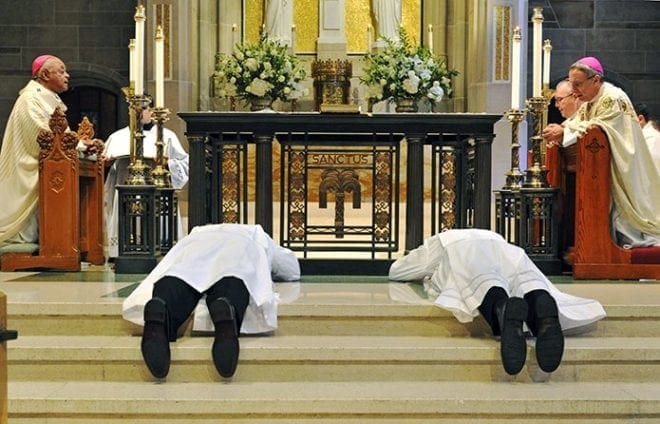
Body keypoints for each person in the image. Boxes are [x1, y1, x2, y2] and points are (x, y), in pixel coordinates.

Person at [388, 229, 606, 376]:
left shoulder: (442, 240)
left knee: (484, 285)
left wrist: (421, 267)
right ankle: (541, 303)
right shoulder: (493, 235)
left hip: (464, 252)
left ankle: (503, 309)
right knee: (524, 279)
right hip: (508, 250)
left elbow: (398, 270)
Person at [122, 223, 301, 380]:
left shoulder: (198, 232)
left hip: (196, 249)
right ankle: (226, 311)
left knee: (181, 278)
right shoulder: (256, 233)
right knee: (233, 281)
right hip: (238, 249)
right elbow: (291, 268)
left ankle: (161, 307)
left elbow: (173, 258)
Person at [548, 57, 659, 247]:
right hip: (604, 169)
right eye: (572, 84)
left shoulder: (612, 98)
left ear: (596, 80)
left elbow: (597, 127)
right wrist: (559, 131)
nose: (574, 91)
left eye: (578, 84)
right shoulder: (591, 101)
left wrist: (565, 132)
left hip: (623, 167)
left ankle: (616, 249)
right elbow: (577, 123)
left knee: (630, 222)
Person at [0, 55, 97, 247]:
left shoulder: (47, 99)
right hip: (26, 169)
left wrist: (81, 144)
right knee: (21, 233)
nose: (67, 75)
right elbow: (42, 134)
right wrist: (80, 145)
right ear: (44, 74)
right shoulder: (30, 99)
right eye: (61, 71)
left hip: (50, 166)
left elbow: (62, 135)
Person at [101, 101, 189, 259]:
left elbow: (185, 163)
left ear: (153, 111)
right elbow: (105, 167)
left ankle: (161, 247)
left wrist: (166, 162)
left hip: (155, 190)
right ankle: (122, 252)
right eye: (137, 109)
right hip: (124, 190)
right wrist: (106, 164)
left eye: (145, 108)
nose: (141, 113)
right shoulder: (117, 137)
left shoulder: (167, 136)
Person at [542, 79, 583, 147]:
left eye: (559, 99)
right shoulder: (566, 124)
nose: (556, 105)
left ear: (575, 96)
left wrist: (563, 133)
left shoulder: (589, 117)